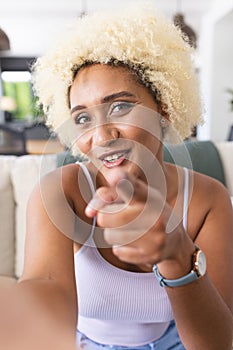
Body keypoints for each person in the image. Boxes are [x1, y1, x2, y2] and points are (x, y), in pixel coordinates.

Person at [8, 2, 233, 349]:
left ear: (164, 109)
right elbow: (46, 293)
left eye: (120, 106)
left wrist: (177, 255)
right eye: (82, 118)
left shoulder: (208, 199)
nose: (101, 136)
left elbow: (219, 342)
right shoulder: (59, 192)